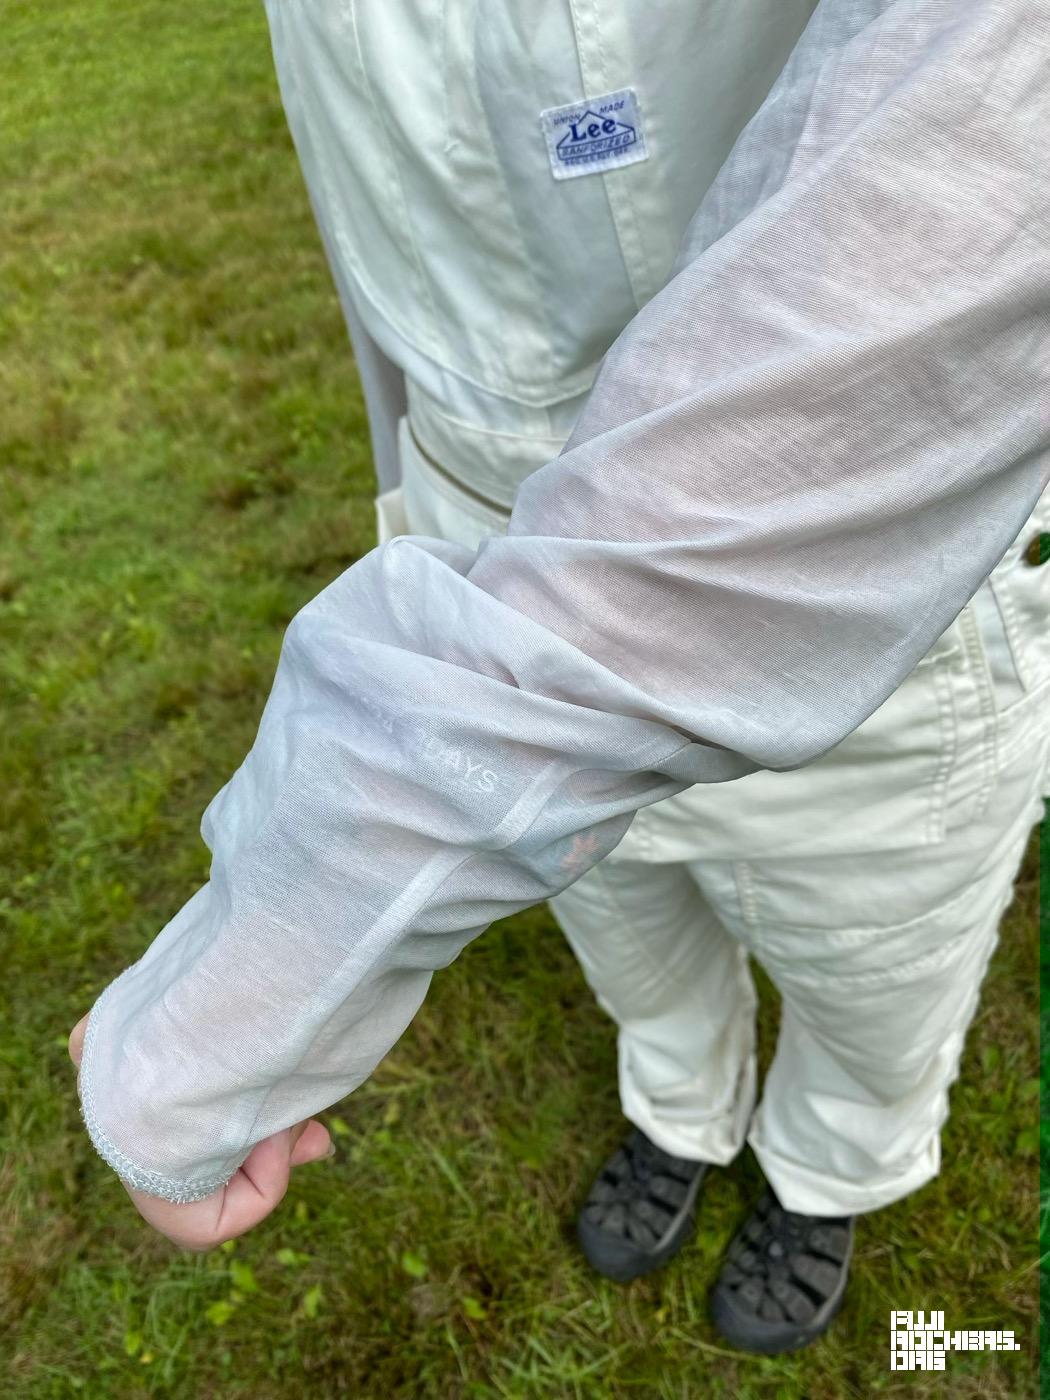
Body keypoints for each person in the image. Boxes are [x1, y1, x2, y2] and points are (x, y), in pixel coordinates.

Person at [69, 0, 1050, 1356]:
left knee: (874, 990)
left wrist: (229, 1011)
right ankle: (681, 1114)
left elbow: (971, 175)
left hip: (858, 631)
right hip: (477, 574)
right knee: (635, 951)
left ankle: (823, 1175)